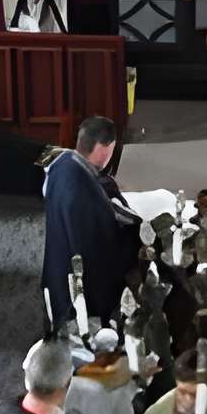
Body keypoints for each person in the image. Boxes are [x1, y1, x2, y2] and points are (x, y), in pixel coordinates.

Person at [41, 116, 138, 334]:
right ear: (104, 148)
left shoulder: (61, 164)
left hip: (55, 276)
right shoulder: (86, 189)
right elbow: (102, 243)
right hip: (79, 292)